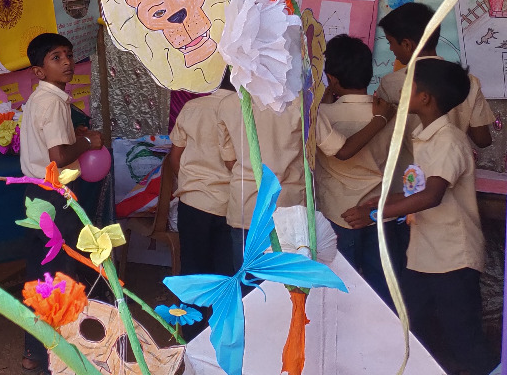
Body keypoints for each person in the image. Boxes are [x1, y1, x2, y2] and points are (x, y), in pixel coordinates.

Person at [344, 59, 494, 375]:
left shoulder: (449, 140)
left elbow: (432, 196)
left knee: (463, 334)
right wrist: (384, 199)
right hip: (425, 254)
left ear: (425, 98)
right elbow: (421, 189)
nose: (401, 92)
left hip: (452, 257)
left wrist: (378, 213)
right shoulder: (425, 136)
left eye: (408, 88)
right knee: (415, 323)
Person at [17, 32, 104, 375]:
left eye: (68, 55)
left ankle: (33, 352)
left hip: (35, 196)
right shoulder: (53, 103)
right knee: (60, 278)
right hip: (55, 198)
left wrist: (75, 136)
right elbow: (58, 156)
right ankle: (53, 370)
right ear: (39, 71)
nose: (66, 62)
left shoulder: (41, 99)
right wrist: (87, 141)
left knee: (40, 275)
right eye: (56, 57)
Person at [313, 35, 393, 299]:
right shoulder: (388, 113)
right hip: (380, 214)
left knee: (339, 294)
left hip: (338, 215)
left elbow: (340, 150)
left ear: (331, 79)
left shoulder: (322, 115)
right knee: (381, 293)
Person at [377, 2, 494, 147]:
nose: (390, 48)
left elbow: (381, 137)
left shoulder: (389, 83)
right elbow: (483, 140)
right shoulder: (468, 81)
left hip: (409, 163)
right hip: (452, 158)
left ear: (407, 45)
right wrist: (460, 113)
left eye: (390, 42)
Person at [219, 84, 304, 263]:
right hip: (287, 206)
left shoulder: (228, 104)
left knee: (249, 276)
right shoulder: (298, 100)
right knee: (285, 277)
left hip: (246, 207)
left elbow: (229, 160)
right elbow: (331, 146)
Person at [164, 70, 235, 276]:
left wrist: (190, 183)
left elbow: (174, 157)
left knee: (193, 273)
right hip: (231, 203)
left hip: (194, 201)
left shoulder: (192, 107)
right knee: (225, 275)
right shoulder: (244, 112)